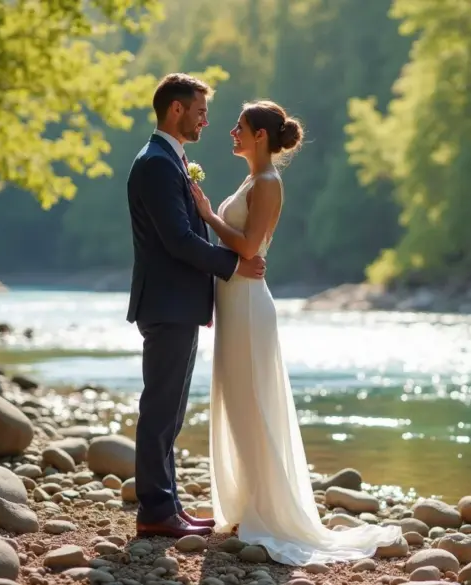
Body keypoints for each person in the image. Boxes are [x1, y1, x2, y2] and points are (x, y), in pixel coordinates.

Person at [189, 100, 403, 565]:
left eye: (240, 127)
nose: (232, 132)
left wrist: (206, 215)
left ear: (260, 136)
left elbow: (248, 247)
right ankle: (247, 507)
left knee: (252, 402)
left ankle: (269, 513)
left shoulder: (267, 182)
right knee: (236, 399)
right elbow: (241, 250)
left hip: (247, 304)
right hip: (233, 299)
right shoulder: (251, 179)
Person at [125, 73, 267, 538]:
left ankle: (169, 507)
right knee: (161, 408)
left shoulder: (169, 159)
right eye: (201, 110)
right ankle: (155, 511)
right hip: (167, 303)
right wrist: (234, 264)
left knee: (172, 409)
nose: (207, 119)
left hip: (178, 303)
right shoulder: (156, 164)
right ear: (176, 110)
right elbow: (179, 239)